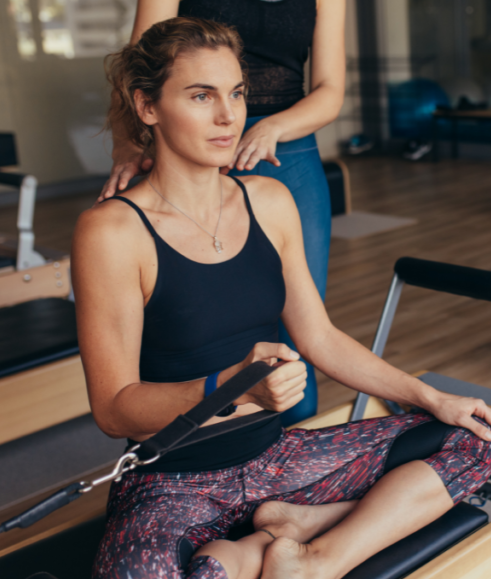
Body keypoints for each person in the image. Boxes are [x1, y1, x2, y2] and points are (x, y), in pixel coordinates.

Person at [74, 18, 491, 579]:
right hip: (174, 480)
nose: (230, 116)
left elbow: (318, 336)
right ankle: (276, 542)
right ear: (147, 106)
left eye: (237, 94)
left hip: (278, 462)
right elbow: (112, 408)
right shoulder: (111, 231)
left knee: (471, 439)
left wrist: (432, 397)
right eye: (201, 96)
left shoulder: (269, 202)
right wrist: (230, 386)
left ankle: (313, 554)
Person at [98, 0, 345, 425]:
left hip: (287, 145)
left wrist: (272, 128)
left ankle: (286, 447)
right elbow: (136, 75)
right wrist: (127, 147)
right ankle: (206, 449)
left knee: (298, 331)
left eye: (237, 92)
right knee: (185, 323)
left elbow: (329, 89)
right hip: (185, 135)